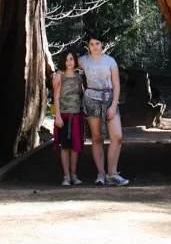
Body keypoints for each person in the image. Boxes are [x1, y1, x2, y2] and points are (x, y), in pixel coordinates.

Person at [79, 31, 129, 187]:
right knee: (97, 137)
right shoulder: (83, 60)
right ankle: (101, 173)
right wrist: (58, 75)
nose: (95, 47)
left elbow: (116, 84)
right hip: (91, 99)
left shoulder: (110, 61)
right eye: (92, 44)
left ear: (102, 45)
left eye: (97, 44)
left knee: (117, 136)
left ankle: (112, 173)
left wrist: (114, 105)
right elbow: (67, 64)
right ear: (88, 46)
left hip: (109, 99)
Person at [53, 48, 85, 186]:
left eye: (71, 59)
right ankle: (66, 176)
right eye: (66, 59)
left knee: (75, 147)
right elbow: (56, 97)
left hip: (77, 116)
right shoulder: (60, 77)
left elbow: (81, 93)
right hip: (64, 117)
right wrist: (57, 116)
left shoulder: (79, 77)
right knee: (65, 147)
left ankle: (74, 175)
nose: (69, 62)